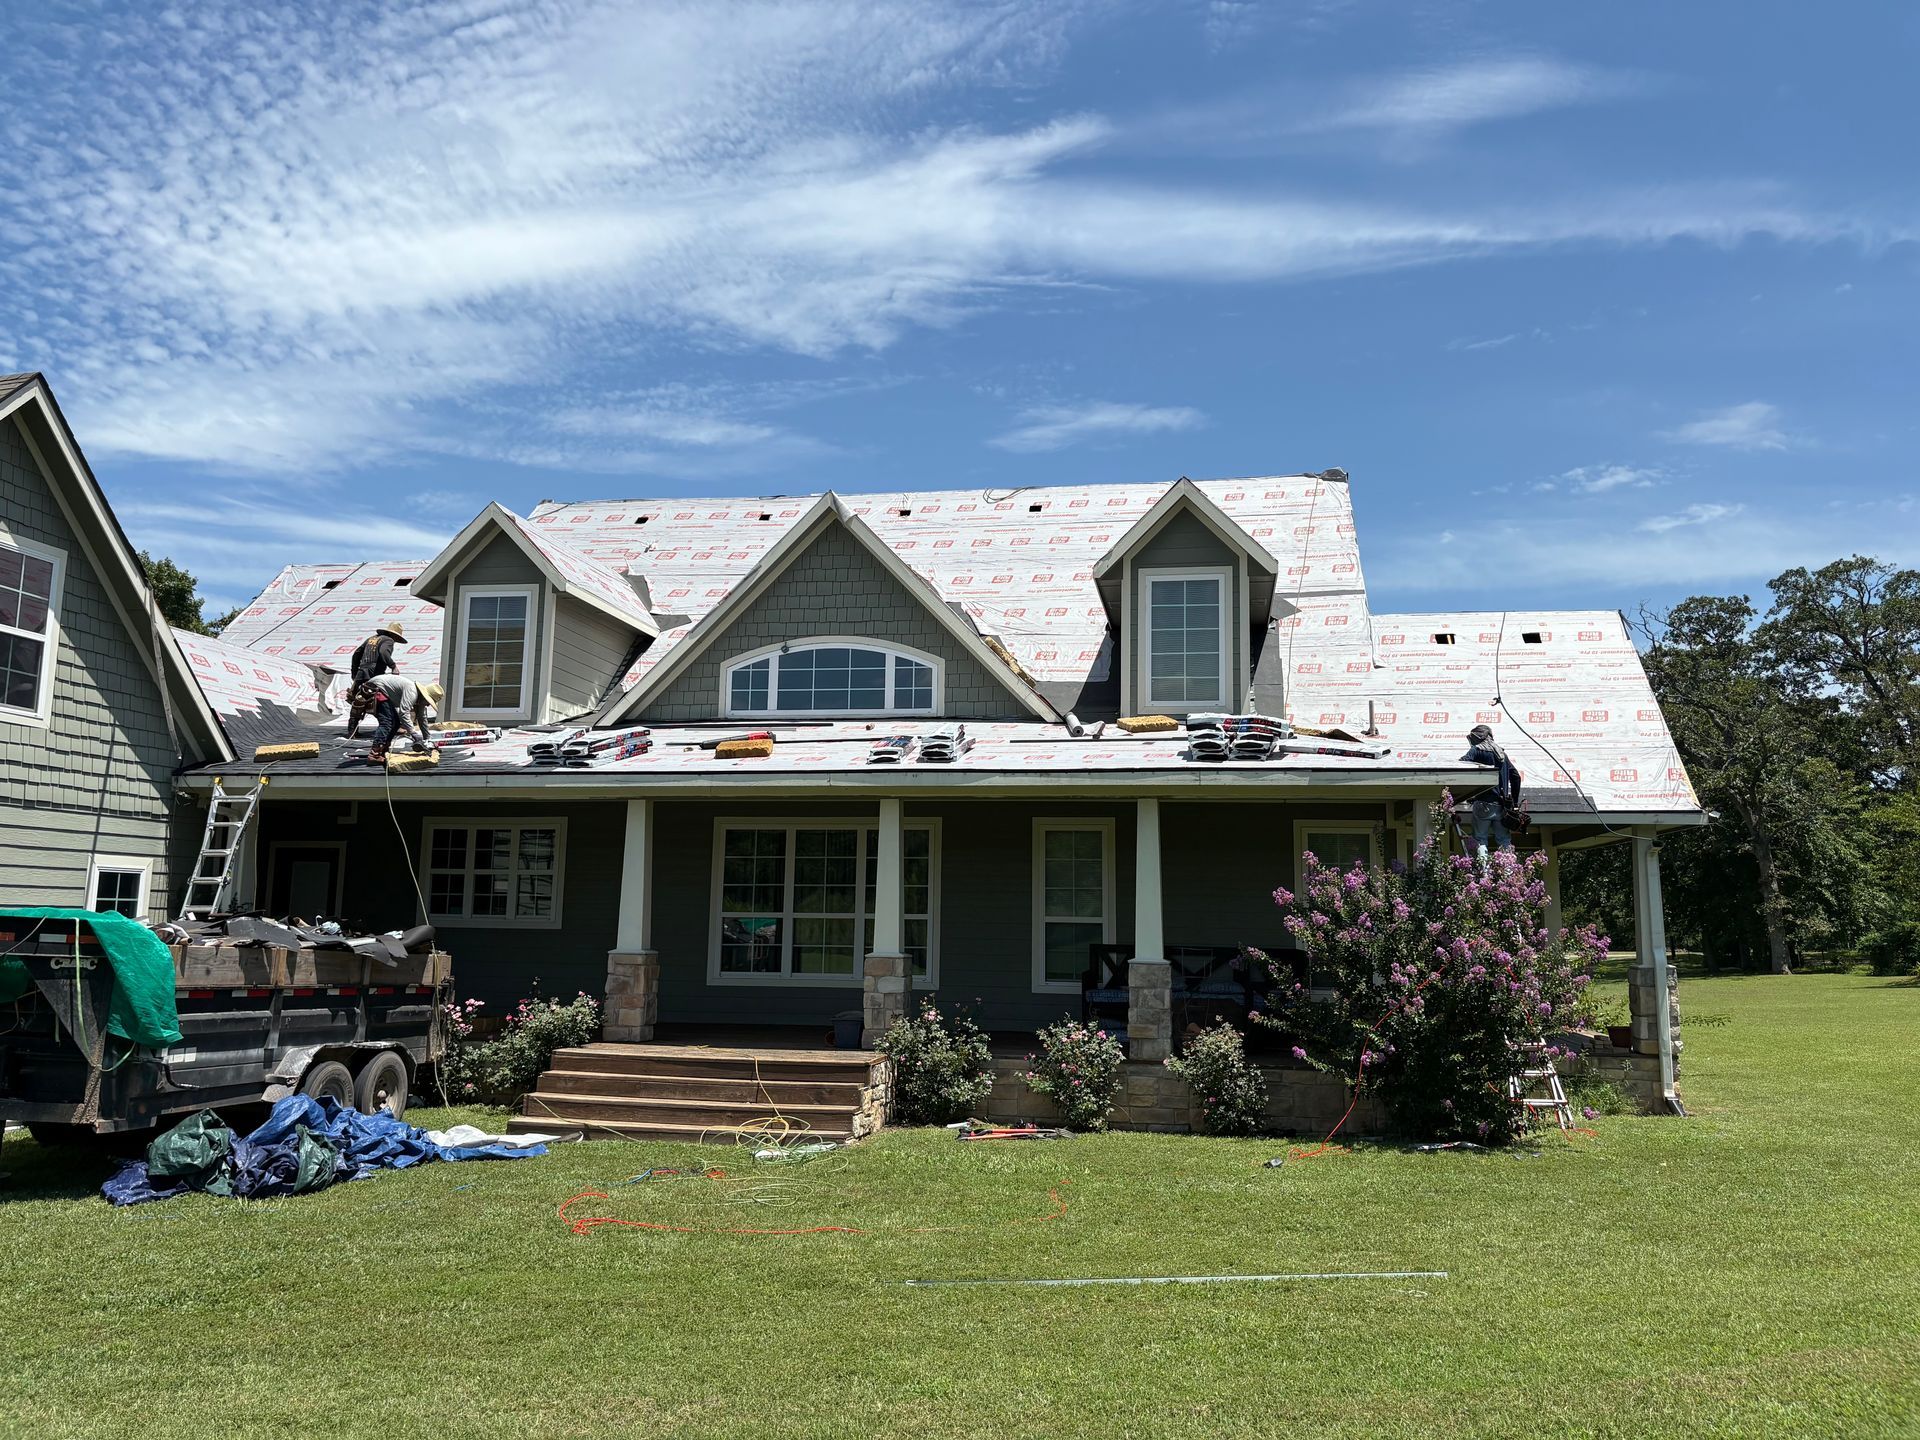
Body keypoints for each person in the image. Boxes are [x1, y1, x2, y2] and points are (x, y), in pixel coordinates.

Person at [1461, 723, 1522, 861]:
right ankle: (1509, 873)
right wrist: (1515, 802)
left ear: (1477, 738)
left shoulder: (1477, 750)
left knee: (1480, 839)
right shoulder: (1502, 754)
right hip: (1502, 806)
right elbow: (1516, 777)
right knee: (1504, 840)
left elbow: (1461, 765)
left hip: (1483, 803)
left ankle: (1484, 873)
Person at [345, 622, 406, 739]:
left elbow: (356, 654)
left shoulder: (371, 639)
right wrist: (393, 666)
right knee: (381, 701)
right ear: (395, 635)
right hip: (374, 674)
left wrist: (355, 672)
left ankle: (352, 730)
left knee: (359, 700)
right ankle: (390, 725)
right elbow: (383, 652)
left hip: (361, 672)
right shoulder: (388, 640)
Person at [358, 671, 428, 764]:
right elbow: (403, 713)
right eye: (428, 702)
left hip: (381, 689)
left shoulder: (418, 697)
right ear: (424, 697)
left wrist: (427, 738)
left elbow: (422, 717)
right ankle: (374, 754)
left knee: (395, 724)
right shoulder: (412, 692)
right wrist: (413, 733)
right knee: (387, 722)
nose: (427, 705)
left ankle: (383, 750)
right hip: (377, 689)